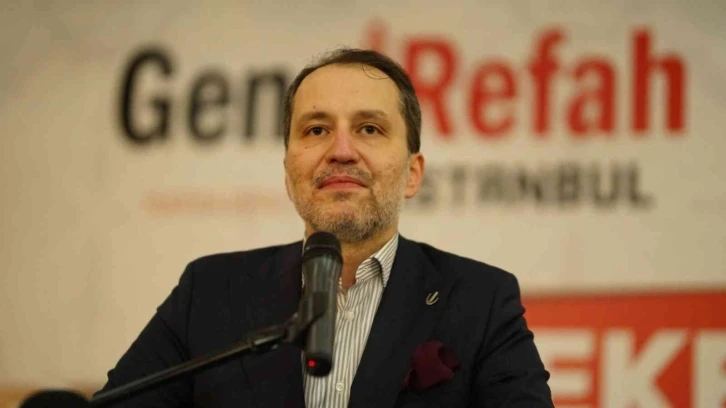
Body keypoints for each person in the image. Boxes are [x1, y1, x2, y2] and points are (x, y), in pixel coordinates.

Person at [97, 48, 553, 407]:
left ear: (413, 174)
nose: (341, 151)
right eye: (316, 130)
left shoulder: (481, 301)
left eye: (370, 129)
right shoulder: (210, 291)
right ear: (288, 172)